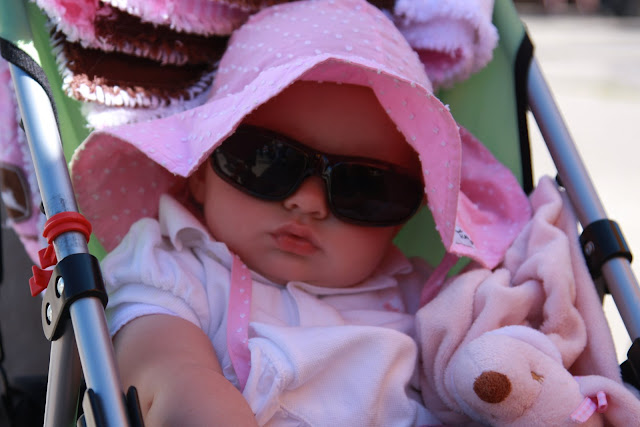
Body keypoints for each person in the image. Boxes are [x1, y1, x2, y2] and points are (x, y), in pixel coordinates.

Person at [69, 0, 530, 424]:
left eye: (364, 187)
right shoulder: (175, 271)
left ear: (405, 215)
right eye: (267, 161)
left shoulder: (428, 302)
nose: (308, 202)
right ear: (199, 170)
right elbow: (165, 373)